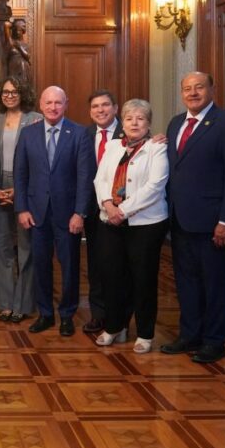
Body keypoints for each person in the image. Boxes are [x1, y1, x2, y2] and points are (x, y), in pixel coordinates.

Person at [162, 72, 225, 363]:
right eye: (187, 89)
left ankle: (214, 341)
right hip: (180, 219)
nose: (193, 93)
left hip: (213, 222)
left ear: (212, 89)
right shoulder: (176, 123)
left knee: (214, 284)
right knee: (186, 282)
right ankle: (190, 335)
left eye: (199, 87)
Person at [14, 86, 95, 336]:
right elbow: (20, 174)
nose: (53, 107)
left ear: (66, 104)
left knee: (70, 265)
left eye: (58, 103)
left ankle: (67, 315)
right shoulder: (28, 134)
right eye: (48, 103)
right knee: (40, 265)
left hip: (68, 213)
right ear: (40, 104)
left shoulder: (79, 133)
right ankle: (45, 314)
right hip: (36, 213)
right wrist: (22, 208)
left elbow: (85, 177)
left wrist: (79, 212)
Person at [92, 99, 169, 354]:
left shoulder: (156, 148)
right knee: (113, 277)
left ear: (148, 123)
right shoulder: (113, 146)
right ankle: (116, 327)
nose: (134, 123)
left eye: (140, 118)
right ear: (122, 122)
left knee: (143, 279)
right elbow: (100, 178)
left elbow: (155, 186)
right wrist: (107, 204)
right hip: (110, 221)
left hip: (145, 224)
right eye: (129, 118)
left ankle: (145, 333)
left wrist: (122, 210)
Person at [0, 78, 41, 323]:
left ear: (24, 93)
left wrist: (20, 191)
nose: (10, 95)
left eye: (15, 91)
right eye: (6, 91)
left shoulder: (36, 119)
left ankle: (23, 303)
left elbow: (40, 162)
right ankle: (6, 303)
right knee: (1, 249)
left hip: (27, 187)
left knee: (26, 248)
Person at [82, 90, 124, 334]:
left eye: (105, 105)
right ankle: (98, 314)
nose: (100, 110)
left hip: (124, 212)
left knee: (120, 267)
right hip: (93, 210)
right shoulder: (84, 134)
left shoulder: (130, 130)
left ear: (115, 108)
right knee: (96, 265)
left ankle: (119, 317)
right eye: (95, 106)